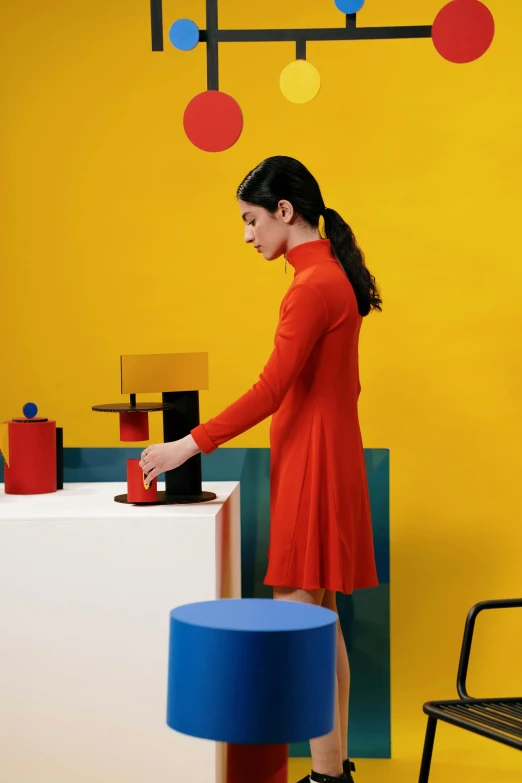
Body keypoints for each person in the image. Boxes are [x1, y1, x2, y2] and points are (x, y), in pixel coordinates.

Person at [140, 156, 381, 783]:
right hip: (328, 455)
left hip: (313, 462)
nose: (247, 236)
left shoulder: (310, 287)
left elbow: (270, 390)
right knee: (319, 624)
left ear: (284, 211)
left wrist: (186, 445)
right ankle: (334, 771)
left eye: (251, 221)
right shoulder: (328, 275)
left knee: (300, 622)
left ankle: (327, 776)